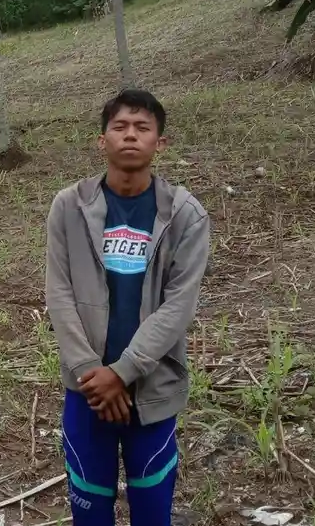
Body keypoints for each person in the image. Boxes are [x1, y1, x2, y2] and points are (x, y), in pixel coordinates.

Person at [44, 89, 210, 526]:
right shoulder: (68, 207)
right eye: (119, 127)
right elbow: (58, 295)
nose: (130, 135)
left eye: (142, 128)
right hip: (88, 392)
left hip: (151, 390)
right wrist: (90, 373)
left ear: (160, 142)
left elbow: (178, 306)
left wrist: (122, 372)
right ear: (102, 141)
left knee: (152, 512)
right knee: (89, 511)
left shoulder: (185, 215)